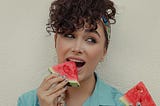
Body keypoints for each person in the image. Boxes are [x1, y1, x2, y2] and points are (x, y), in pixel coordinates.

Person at [17, 0, 124, 106]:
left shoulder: (121, 104)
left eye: (91, 40)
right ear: (55, 41)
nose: (77, 48)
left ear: (104, 52)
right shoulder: (28, 102)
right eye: (69, 35)